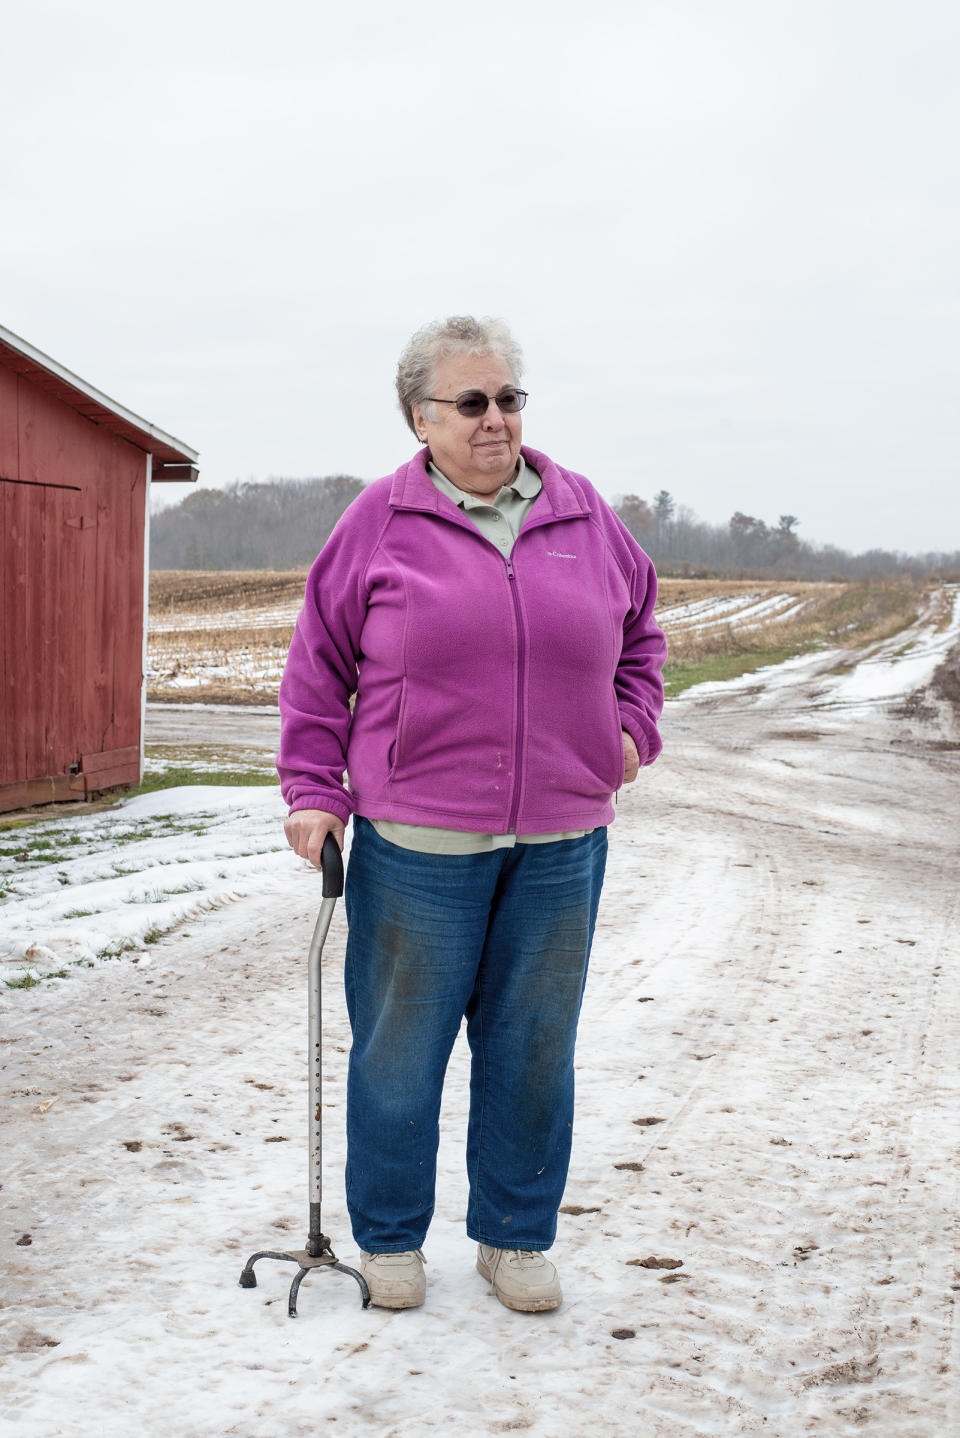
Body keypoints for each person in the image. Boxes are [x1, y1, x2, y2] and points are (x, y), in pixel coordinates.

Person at [278, 316, 666, 1312]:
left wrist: (628, 735)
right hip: (419, 844)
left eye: (510, 398)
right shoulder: (380, 521)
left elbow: (642, 636)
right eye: (472, 402)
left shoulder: (583, 513)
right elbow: (318, 668)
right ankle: (393, 1238)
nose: (498, 420)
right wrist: (315, 792)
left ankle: (516, 1236)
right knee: (400, 1050)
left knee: (535, 1046)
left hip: (561, 841)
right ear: (422, 417)